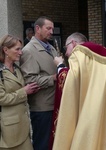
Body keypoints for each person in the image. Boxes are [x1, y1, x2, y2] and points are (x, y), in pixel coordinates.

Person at [20, 16, 58, 150]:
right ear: (37, 29)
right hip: (42, 107)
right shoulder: (28, 51)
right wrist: (53, 78)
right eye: (48, 28)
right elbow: (30, 81)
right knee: (42, 143)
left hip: (55, 103)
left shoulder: (52, 48)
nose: (51, 32)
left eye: (52, 28)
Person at [0, 34, 40, 150]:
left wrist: (30, 89)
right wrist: (24, 92)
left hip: (23, 128)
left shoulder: (17, 69)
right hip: (9, 132)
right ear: (6, 50)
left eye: (21, 49)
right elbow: (2, 99)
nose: (21, 52)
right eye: (17, 49)